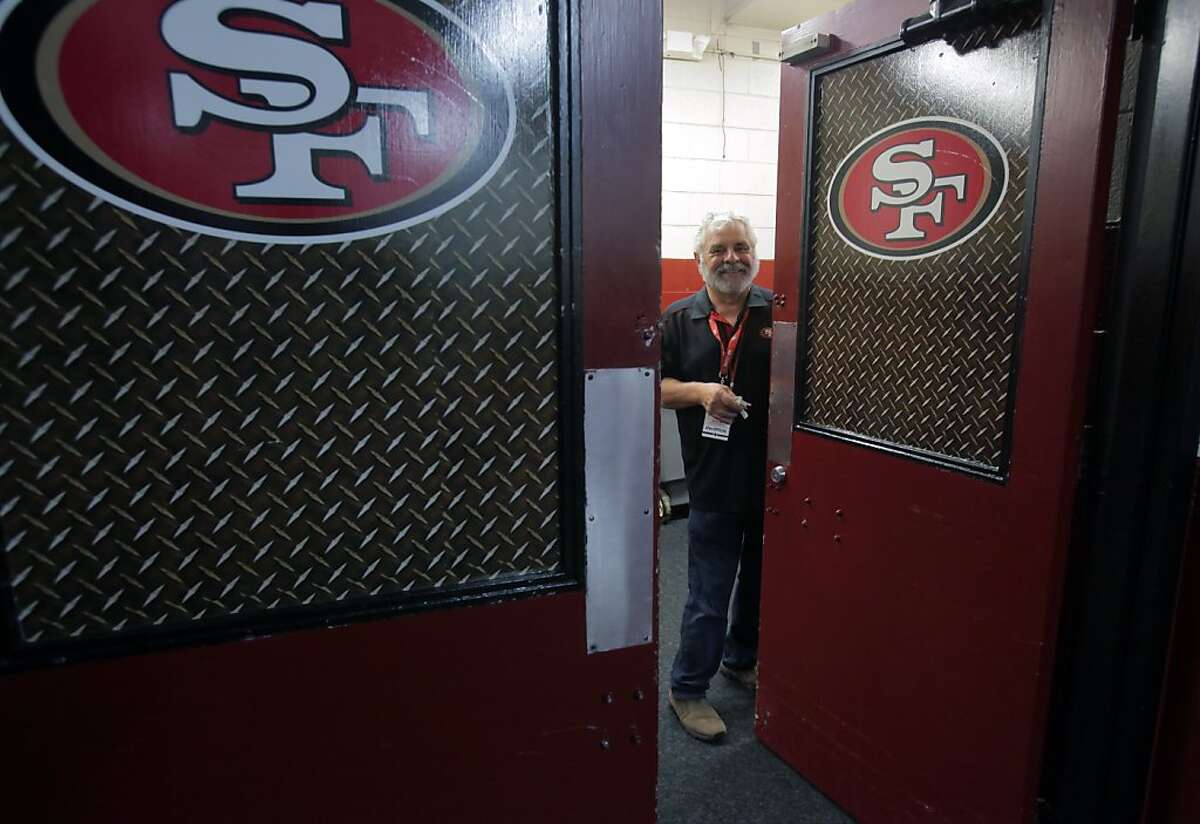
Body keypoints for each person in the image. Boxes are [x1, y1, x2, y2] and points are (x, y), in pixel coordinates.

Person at [660, 211, 772, 742]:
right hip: (711, 480)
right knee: (709, 592)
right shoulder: (678, 318)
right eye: (719, 250)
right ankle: (686, 689)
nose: (732, 258)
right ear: (698, 260)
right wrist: (702, 392)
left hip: (774, 480)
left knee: (760, 583)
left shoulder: (781, 311)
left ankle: (740, 658)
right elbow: (654, 388)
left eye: (742, 247)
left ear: (755, 252)